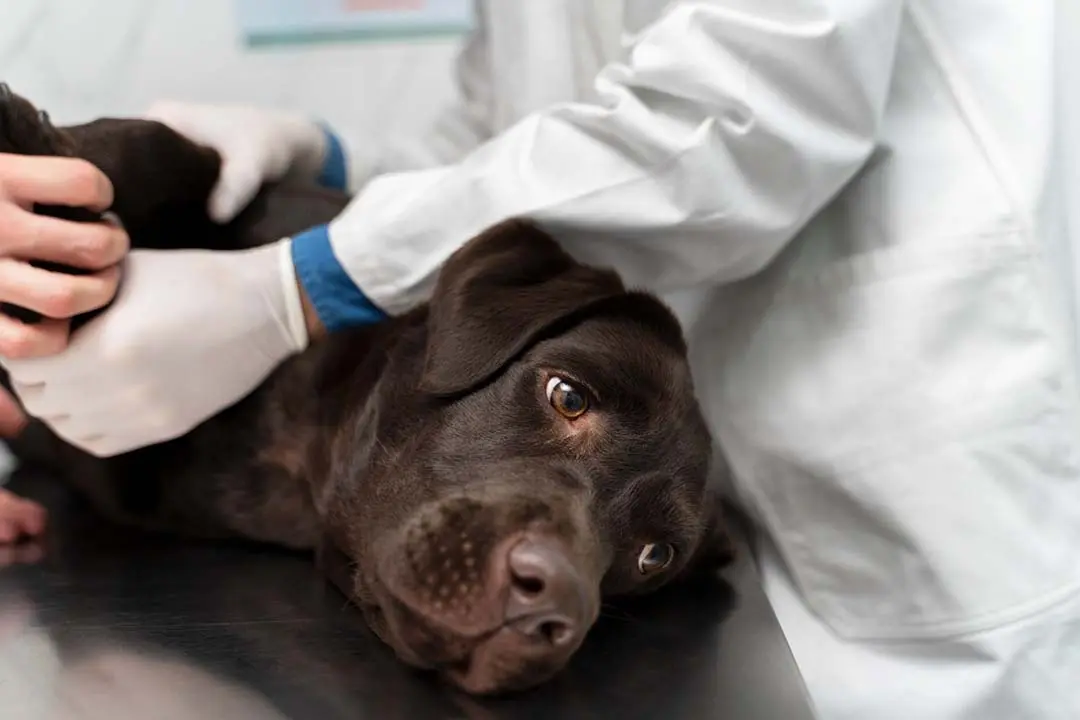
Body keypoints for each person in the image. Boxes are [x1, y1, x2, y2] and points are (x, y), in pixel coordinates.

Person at [0, 0, 1077, 717]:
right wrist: (319, 158)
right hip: (691, 513)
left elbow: (747, 110)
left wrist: (300, 285)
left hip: (920, 489)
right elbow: (520, 148)